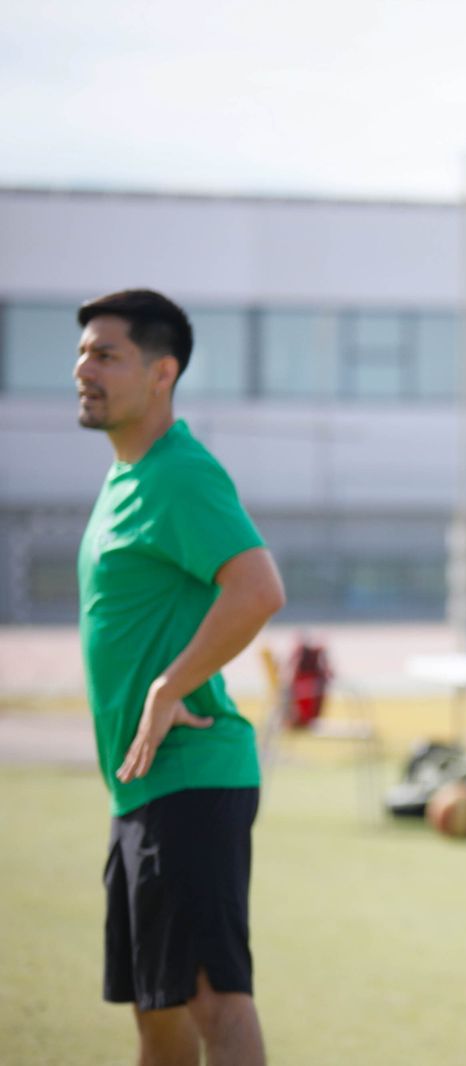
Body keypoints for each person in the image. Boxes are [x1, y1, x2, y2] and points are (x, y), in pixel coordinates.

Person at [76, 289, 285, 1066]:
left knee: (212, 1001)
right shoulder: (122, 481)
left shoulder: (180, 475)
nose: (82, 369)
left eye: (106, 354)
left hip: (192, 779)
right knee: (157, 1014)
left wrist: (168, 689)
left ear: (162, 373)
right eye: (82, 353)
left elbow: (258, 589)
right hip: (139, 789)